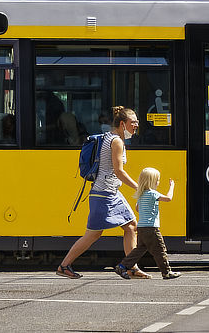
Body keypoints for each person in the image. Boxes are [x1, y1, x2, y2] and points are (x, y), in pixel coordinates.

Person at [57, 106, 146, 279]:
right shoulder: (117, 141)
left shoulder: (109, 137)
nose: (136, 126)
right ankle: (64, 265)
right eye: (133, 122)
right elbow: (119, 171)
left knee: (130, 226)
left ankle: (131, 267)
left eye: (137, 122)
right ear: (122, 123)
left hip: (110, 192)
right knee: (93, 234)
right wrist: (139, 187)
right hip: (104, 194)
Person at [115, 168, 180, 280]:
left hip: (141, 227)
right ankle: (166, 272)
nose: (158, 182)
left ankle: (122, 266)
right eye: (158, 180)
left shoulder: (141, 195)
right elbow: (168, 198)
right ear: (152, 181)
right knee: (160, 250)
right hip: (151, 228)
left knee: (139, 250)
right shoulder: (153, 193)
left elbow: (137, 208)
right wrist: (172, 186)